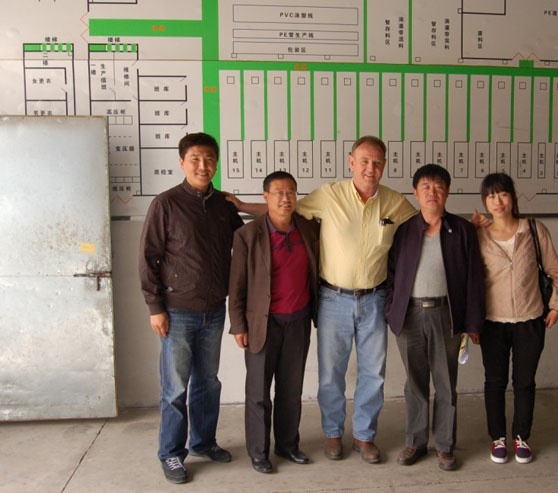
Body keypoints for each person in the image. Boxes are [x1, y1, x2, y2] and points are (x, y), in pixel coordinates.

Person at [227, 136, 416, 463]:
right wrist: (243, 206)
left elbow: (427, 223)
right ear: (351, 162)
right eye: (364, 161)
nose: (370, 169)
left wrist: (476, 227)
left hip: (374, 299)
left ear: (384, 166)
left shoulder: (395, 203)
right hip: (333, 299)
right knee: (331, 374)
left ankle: (364, 436)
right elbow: (284, 208)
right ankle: (332, 434)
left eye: (377, 163)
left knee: (374, 373)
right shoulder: (329, 196)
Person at [138, 132, 243, 484]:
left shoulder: (223, 207)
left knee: (208, 383)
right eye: (195, 158)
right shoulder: (166, 204)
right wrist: (155, 306)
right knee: (175, 388)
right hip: (177, 311)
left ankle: (203, 441)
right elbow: (148, 257)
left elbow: (243, 245)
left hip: (214, 309)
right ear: (182, 162)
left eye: (209, 159)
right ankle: (171, 453)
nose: (203, 165)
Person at [385, 164, 485, 471]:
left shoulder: (462, 230)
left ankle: (444, 445)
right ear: (415, 193)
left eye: (439, 186)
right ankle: (415, 442)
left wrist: (473, 323)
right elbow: (390, 274)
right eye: (426, 187)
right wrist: (392, 310)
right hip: (410, 316)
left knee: (445, 383)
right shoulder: (404, 231)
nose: (432, 192)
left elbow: (474, 278)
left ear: (448, 192)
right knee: (414, 383)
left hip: (446, 315)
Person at [228, 171, 320, 474]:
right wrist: (238, 325)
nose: (285, 198)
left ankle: (288, 445)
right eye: (279, 192)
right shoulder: (248, 235)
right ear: (265, 196)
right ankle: (258, 452)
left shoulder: (308, 228)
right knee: (258, 392)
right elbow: (237, 285)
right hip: (261, 325)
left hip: (298, 322)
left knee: (291, 390)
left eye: (291, 192)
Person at [476, 172, 558, 464]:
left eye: (502, 194)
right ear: (484, 201)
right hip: (492, 322)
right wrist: (472, 323)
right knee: (495, 381)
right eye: (491, 196)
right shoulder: (479, 235)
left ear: (513, 197)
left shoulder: (534, 229)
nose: (497, 201)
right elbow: (469, 280)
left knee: (525, 382)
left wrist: (556, 305)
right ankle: (498, 438)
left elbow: (553, 269)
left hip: (531, 319)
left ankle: (521, 437)